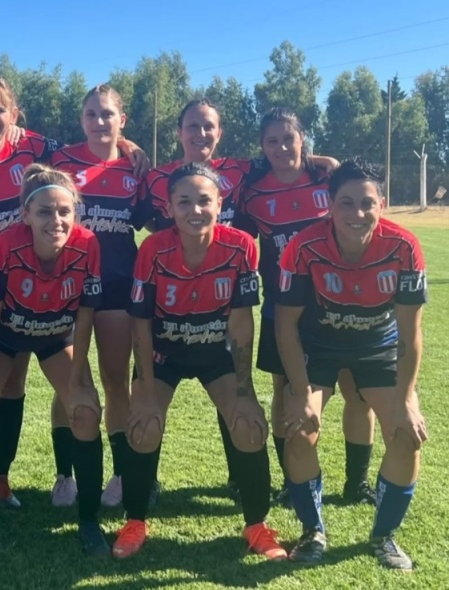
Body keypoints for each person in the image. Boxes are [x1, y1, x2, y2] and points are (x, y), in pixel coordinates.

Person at [0, 77, 148, 509]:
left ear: (14, 115)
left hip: (30, 287)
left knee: (14, 382)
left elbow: (99, 138)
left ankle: (0, 478)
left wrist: (126, 143)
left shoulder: (36, 149)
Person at [146, 99, 342, 503]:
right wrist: (132, 150)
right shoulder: (154, 177)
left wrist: (322, 158)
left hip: (228, 295)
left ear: (220, 133)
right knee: (151, 392)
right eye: (192, 126)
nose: (200, 134)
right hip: (174, 296)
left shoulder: (241, 170)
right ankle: (143, 478)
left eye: (208, 127)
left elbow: (284, 158)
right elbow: (149, 224)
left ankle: (241, 475)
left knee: (232, 382)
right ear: (178, 131)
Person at [112, 162, 286, 561]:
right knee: (143, 427)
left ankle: (257, 525)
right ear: (169, 208)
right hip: (163, 354)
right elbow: (140, 324)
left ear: (219, 203)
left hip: (215, 354)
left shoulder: (242, 245)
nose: (195, 210)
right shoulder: (153, 249)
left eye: (204, 200)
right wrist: (145, 392)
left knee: (248, 425)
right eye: (184, 201)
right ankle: (135, 521)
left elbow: (242, 323)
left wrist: (245, 392)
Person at [0, 164, 108, 558]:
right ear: (25, 215)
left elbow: (85, 315)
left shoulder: (88, 245)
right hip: (4, 333)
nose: (56, 220)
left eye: (65, 211)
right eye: (45, 212)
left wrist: (79, 377)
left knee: (85, 411)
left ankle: (89, 522)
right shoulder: (6, 245)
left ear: (76, 212)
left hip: (55, 334)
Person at [276, 157, 427, 569]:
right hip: (319, 345)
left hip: (377, 345)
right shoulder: (303, 246)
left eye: (366, 203)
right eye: (345, 203)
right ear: (329, 203)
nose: (356, 214)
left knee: (405, 433)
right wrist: (303, 393)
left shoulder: (404, 246)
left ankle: (384, 536)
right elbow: (286, 326)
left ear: (382, 202)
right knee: (300, 431)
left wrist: (406, 397)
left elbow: (411, 332)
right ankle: (313, 532)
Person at [235, 107, 376, 506]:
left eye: (289, 138)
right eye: (272, 140)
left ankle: (357, 483)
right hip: (283, 304)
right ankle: (290, 481)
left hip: (336, 298)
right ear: (262, 147)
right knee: (285, 389)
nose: (282, 147)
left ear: (302, 140)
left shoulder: (326, 178)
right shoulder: (253, 191)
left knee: (355, 388)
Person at [49, 84, 152, 508]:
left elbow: (149, 220)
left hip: (115, 285)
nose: (99, 122)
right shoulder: (61, 161)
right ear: (82, 120)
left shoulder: (135, 167)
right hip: (66, 285)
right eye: (91, 114)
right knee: (68, 382)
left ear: (121, 120)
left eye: (107, 114)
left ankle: (121, 475)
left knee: (114, 381)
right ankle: (64, 475)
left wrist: (134, 150)